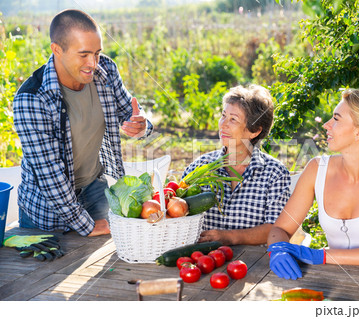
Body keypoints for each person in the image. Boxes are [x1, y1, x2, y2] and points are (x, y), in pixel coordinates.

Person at [13, 9, 152, 237]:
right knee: (48, 268)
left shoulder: (105, 71)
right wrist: (86, 225)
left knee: (105, 265)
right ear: (57, 50)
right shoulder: (32, 99)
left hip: (95, 189)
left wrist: (142, 125)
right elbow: (49, 175)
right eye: (84, 55)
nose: (93, 63)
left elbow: (132, 112)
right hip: (48, 209)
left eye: (97, 53)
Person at [267, 88, 359, 280]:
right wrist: (277, 250)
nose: (326, 125)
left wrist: (322, 255)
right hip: (335, 281)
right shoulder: (317, 169)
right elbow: (280, 229)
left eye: (336, 119)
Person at [181, 85, 291, 245]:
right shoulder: (198, 168)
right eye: (223, 115)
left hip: (253, 264)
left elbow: (277, 229)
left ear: (254, 131)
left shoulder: (275, 174)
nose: (223, 124)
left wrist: (229, 237)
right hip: (202, 261)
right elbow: (177, 214)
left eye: (233, 119)